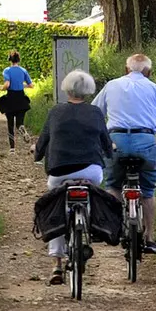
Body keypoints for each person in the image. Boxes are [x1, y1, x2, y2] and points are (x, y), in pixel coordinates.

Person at [32, 69, 110, 284]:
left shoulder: (55, 112)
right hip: (90, 171)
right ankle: (90, 225)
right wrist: (109, 153)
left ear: (66, 88)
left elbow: (43, 141)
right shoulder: (95, 113)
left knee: (57, 210)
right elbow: (105, 142)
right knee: (92, 193)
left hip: (59, 172)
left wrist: (37, 155)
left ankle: (57, 264)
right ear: (88, 90)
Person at [95, 53, 156, 255]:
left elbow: (95, 115)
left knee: (112, 185)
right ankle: (150, 238)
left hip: (116, 142)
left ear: (125, 69)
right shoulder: (155, 88)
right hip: (145, 142)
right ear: (149, 72)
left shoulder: (111, 86)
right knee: (147, 189)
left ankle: (114, 228)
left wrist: (104, 139)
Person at [0, 49, 33, 149]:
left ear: (10, 60)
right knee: (19, 123)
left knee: (10, 124)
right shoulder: (23, 70)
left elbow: (7, 84)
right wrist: (21, 85)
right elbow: (31, 85)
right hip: (21, 98)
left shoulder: (7, 70)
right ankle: (21, 128)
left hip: (11, 98)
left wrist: (2, 88)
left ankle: (12, 148)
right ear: (18, 60)